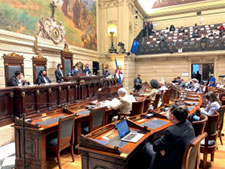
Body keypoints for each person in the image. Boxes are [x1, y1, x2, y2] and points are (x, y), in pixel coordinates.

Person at [143, 102, 195, 169]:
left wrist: (162, 148)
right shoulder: (188, 123)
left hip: (170, 163)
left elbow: (155, 147)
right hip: (181, 159)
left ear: (173, 116)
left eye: (169, 111)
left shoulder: (171, 132)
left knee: (146, 144)